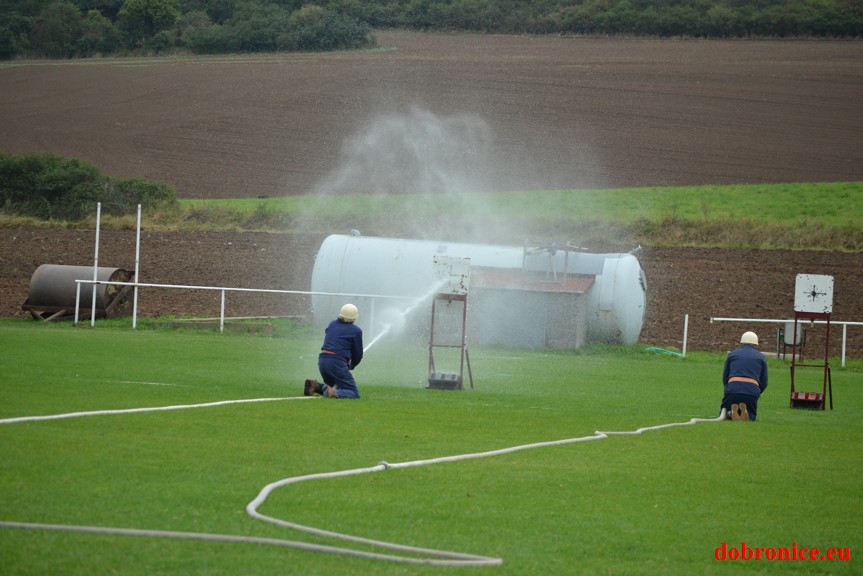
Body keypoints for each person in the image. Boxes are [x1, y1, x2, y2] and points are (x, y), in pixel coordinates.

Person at [304, 303, 363, 399]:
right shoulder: (356, 331)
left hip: (322, 360)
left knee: (335, 386)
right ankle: (334, 393)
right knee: (353, 393)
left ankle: (315, 386)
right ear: (354, 318)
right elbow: (358, 354)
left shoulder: (332, 324)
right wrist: (352, 365)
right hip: (336, 362)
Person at [721, 331, 768, 421]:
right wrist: (757, 392)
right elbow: (764, 381)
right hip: (751, 391)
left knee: (724, 413)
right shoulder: (761, 357)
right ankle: (746, 413)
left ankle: (731, 413)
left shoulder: (732, 354)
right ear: (755, 344)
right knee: (751, 416)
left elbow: (725, 376)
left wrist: (728, 389)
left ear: (741, 342)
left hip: (733, 390)